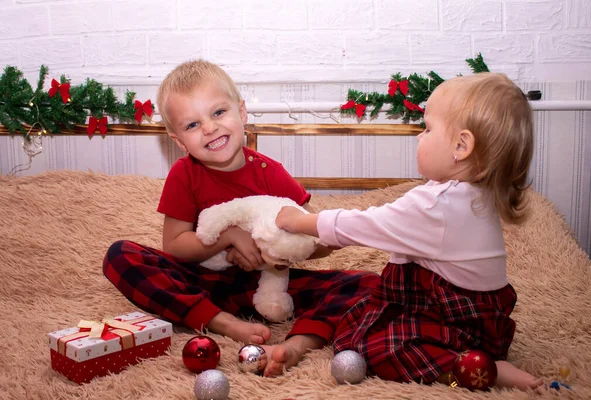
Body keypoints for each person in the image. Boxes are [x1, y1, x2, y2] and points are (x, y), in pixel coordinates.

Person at [102, 60, 378, 377]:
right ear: (179, 141)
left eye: (218, 113)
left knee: (366, 283)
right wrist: (228, 235)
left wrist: (311, 243)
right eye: (192, 125)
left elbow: (308, 241)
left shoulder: (271, 174)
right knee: (120, 255)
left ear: (242, 113)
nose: (209, 128)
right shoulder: (184, 174)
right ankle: (219, 322)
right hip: (199, 281)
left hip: (266, 284)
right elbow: (175, 246)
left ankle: (297, 345)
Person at [275, 72, 544, 390]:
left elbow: (363, 224)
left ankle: (475, 369)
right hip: (485, 321)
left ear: (461, 146)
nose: (419, 137)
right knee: (363, 303)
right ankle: (476, 359)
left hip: (458, 326)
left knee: (374, 346)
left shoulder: (436, 205)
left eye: (427, 129)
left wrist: (298, 221)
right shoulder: (469, 193)